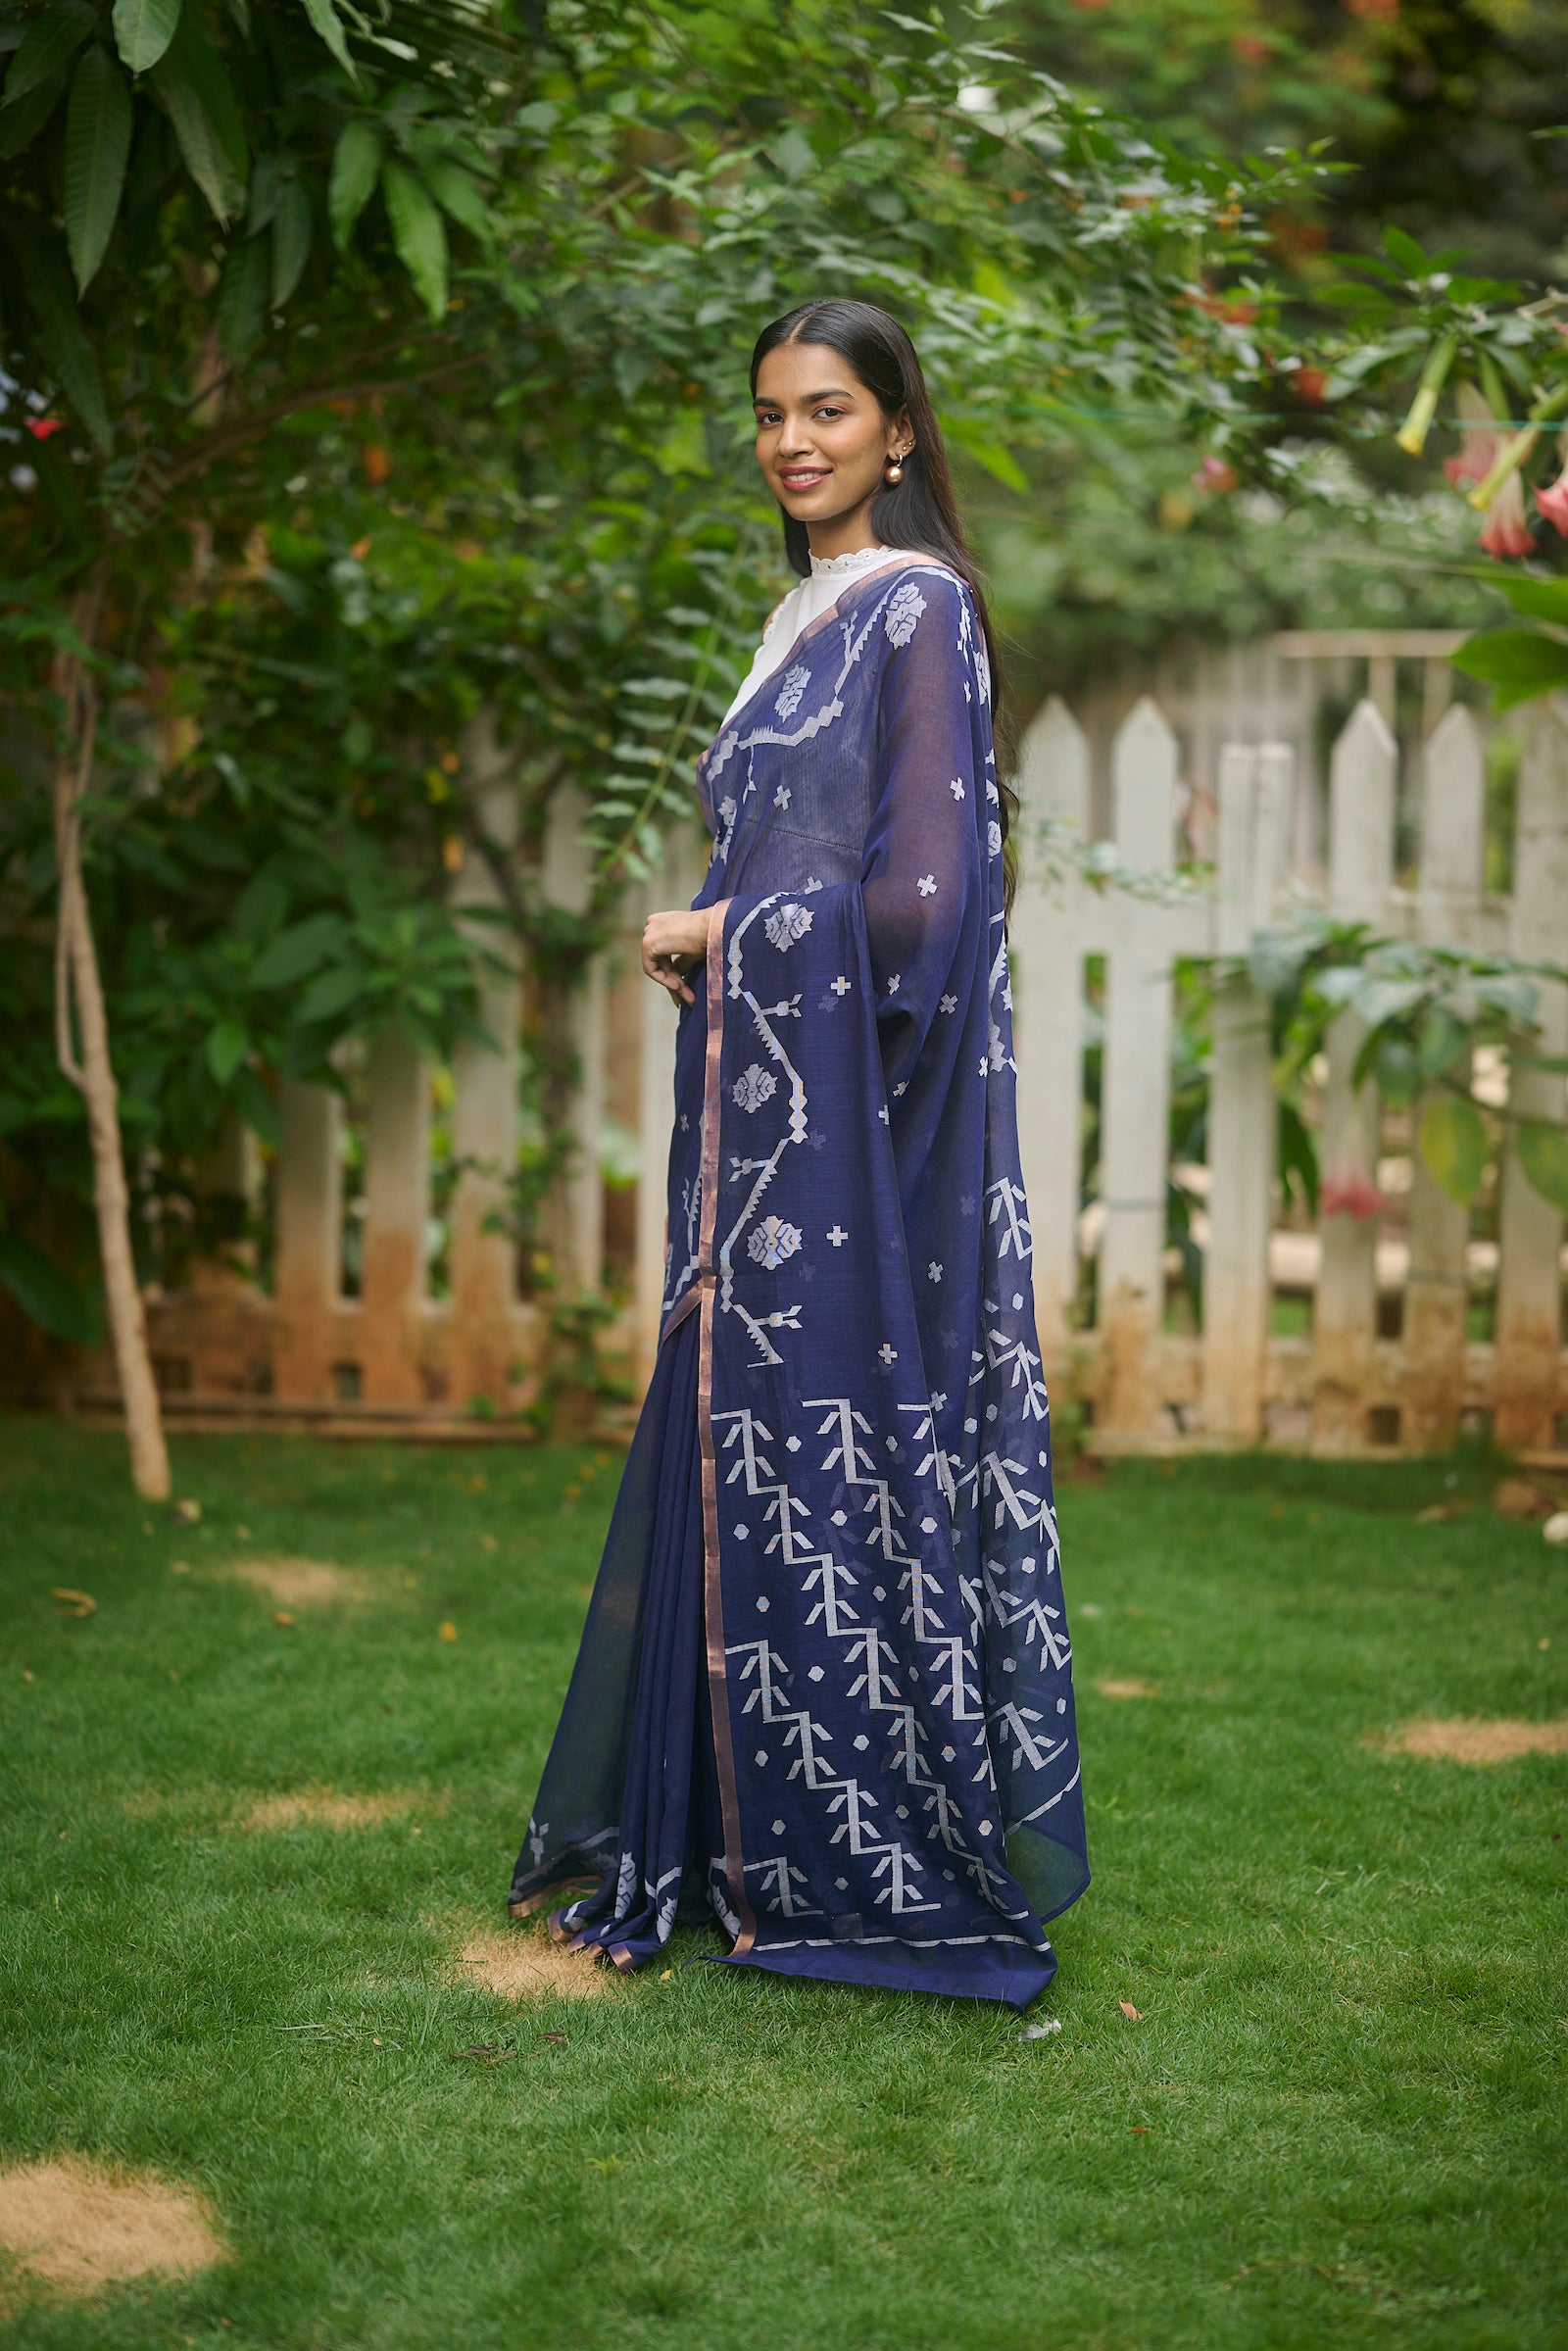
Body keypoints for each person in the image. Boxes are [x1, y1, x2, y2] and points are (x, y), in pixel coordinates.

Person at [509, 299, 1088, 2009]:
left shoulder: (916, 609)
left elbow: (923, 906)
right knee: (734, 1442)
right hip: (760, 1124)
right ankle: (720, 1841)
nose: (793, 441)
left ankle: (866, 1858)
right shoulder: (799, 617)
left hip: (850, 1143)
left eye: (829, 410)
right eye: (770, 413)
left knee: (834, 1452)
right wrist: (734, 936)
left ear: (899, 431)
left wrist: (723, 928)